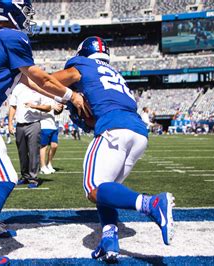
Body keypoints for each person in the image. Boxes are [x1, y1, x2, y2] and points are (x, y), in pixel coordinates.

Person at [0, 1, 87, 265]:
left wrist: (64, 100)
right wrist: (72, 95)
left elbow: (31, 82)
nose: (29, 17)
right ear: (14, 10)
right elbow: (41, 78)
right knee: (6, 178)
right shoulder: (13, 36)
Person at [51, 36, 175, 263]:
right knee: (107, 190)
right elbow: (95, 113)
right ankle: (109, 241)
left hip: (113, 128)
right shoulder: (113, 73)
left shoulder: (81, 65)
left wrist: (71, 96)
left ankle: (151, 203)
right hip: (138, 133)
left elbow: (49, 81)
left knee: (93, 187)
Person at [8, 83, 47, 187]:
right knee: (22, 153)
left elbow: (47, 107)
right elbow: (13, 106)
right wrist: (10, 123)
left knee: (34, 152)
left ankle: (33, 178)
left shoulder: (39, 87)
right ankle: (25, 176)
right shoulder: (17, 87)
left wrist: (35, 106)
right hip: (19, 125)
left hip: (34, 124)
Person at [39, 96, 63, 174]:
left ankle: (49, 164)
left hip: (53, 125)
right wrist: (52, 107)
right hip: (44, 124)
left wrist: (60, 108)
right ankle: (42, 166)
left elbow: (56, 112)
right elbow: (40, 108)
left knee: (54, 145)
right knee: (44, 146)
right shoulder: (41, 96)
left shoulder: (54, 97)